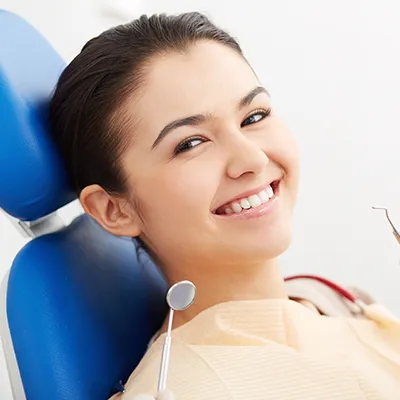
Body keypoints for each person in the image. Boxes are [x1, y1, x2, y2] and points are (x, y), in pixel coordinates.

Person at [49, 12, 400, 400]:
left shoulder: (329, 299)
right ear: (114, 210)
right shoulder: (181, 390)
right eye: (191, 143)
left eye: (254, 116)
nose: (250, 157)